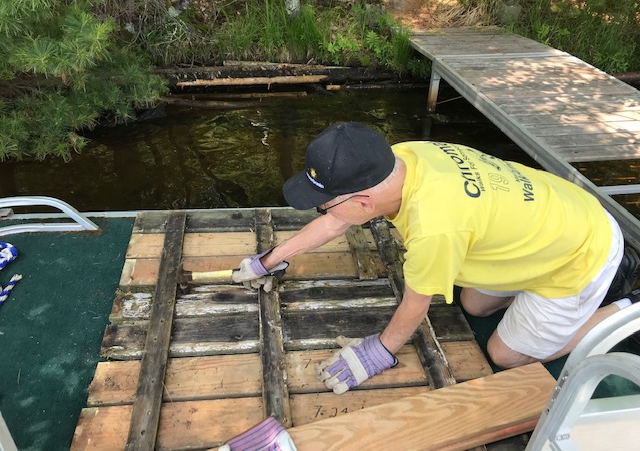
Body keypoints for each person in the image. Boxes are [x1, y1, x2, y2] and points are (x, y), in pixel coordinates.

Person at [222, 121, 640, 449]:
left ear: (363, 203)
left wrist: (380, 351)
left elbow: (414, 306)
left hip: (581, 252)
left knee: (506, 353)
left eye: (323, 201)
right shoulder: (401, 158)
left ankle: (624, 307)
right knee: (474, 306)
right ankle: (532, 287)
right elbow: (337, 217)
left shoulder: (434, 228)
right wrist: (271, 260)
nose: (322, 210)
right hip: (549, 218)